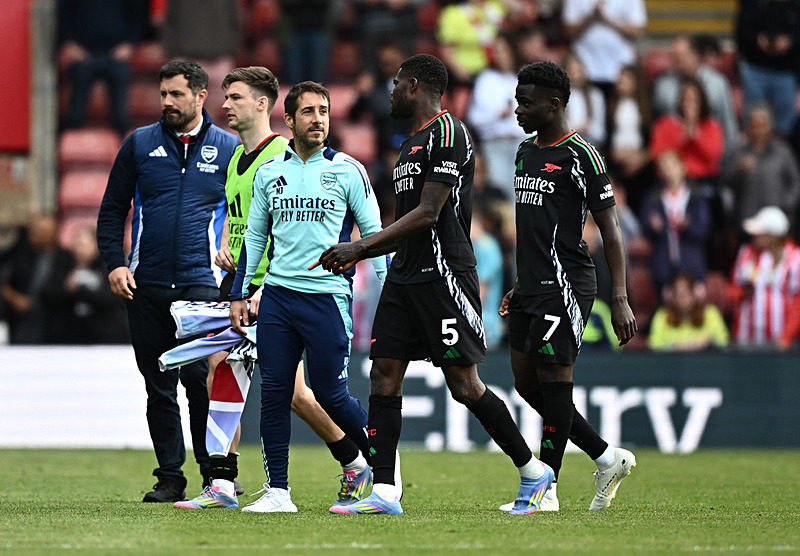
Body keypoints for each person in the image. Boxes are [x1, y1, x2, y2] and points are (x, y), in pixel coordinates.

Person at [316, 53, 554, 516]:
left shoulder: (450, 132)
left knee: (464, 385)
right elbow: (406, 222)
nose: (389, 91)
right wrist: (365, 250)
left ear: (414, 86)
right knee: (383, 373)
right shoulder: (408, 145)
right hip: (406, 276)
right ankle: (384, 491)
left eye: (395, 83)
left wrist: (360, 248)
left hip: (444, 275)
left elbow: (429, 214)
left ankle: (533, 472)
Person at [175, 67, 373, 511]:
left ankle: (359, 461)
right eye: (225, 96)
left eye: (235, 97)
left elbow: (292, 232)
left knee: (300, 393)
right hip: (248, 283)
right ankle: (227, 483)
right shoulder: (237, 160)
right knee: (235, 375)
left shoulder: (284, 156)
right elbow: (243, 218)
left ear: (264, 104)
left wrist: (261, 285)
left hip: (279, 287)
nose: (224, 105)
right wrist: (227, 243)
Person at [228, 81, 388, 513]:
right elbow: (256, 238)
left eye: (324, 111)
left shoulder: (349, 171)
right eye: (309, 112)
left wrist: (389, 296)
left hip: (327, 299)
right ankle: (278, 492)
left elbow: (373, 237)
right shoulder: (269, 173)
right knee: (275, 392)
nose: (318, 119)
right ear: (290, 120)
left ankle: (386, 477)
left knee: (333, 396)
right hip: (279, 298)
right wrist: (242, 293)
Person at [97, 60, 240, 503]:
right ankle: (169, 478)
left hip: (202, 286)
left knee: (200, 383)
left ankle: (212, 478)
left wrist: (237, 259)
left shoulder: (231, 149)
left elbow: (248, 215)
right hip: (146, 284)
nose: (167, 102)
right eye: (163, 94)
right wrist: (115, 263)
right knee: (158, 385)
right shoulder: (138, 144)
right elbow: (110, 211)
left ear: (200, 96)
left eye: (176, 94)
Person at [498, 60, 638, 512]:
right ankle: (606, 457)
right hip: (531, 285)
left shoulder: (582, 155)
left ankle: (546, 489)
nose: (517, 109)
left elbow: (612, 230)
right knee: (525, 384)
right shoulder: (524, 152)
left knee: (555, 379)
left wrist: (619, 297)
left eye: (526, 102)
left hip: (567, 283)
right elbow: (533, 226)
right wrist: (520, 283)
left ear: (554, 104)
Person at [57, 0, 147, 137]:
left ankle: (126, 149)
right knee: (75, 113)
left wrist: (130, 44)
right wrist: (69, 43)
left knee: (121, 116)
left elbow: (137, 15)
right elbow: (62, 15)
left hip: (116, 56)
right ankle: (70, 146)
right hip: (82, 56)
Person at [467, 31, 530, 200]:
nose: (500, 55)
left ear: (513, 50)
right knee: (503, 194)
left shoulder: (527, 76)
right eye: (496, 50)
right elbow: (474, 118)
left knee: (528, 195)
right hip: (496, 145)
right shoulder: (486, 80)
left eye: (504, 49)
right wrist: (497, 115)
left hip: (523, 145)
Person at [722, 103, 800, 237]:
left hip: (777, 219)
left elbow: (796, 183)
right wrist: (739, 169)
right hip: (748, 220)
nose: (758, 130)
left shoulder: (782, 152)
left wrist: (785, 204)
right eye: (754, 125)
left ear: (770, 127)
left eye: (762, 125)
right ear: (749, 128)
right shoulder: (739, 152)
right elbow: (725, 179)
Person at [640, 151, 712, 296]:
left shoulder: (696, 196)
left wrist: (688, 226)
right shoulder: (653, 198)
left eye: (672, 166)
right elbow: (645, 228)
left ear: (682, 167)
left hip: (692, 264)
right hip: (665, 266)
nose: (668, 171)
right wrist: (653, 228)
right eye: (664, 167)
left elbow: (705, 229)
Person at [730, 206, 800, 349]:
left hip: (779, 339)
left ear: (772, 235)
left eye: (759, 232)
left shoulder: (794, 257)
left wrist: (786, 336)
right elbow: (733, 287)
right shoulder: (746, 253)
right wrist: (741, 293)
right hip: (746, 336)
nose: (754, 236)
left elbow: (798, 301)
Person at [652, 35, 739, 148]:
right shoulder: (663, 86)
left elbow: (727, 122)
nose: (679, 63)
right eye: (675, 59)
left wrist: (730, 155)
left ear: (695, 55)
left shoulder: (717, 83)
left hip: (710, 148)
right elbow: (658, 125)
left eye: (682, 57)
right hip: (675, 152)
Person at [0, 213, 74, 344]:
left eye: (42, 231)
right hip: (22, 322)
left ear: (55, 232)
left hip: (56, 326)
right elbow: (4, 280)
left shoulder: (67, 259)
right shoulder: (18, 254)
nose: (36, 235)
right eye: (33, 230)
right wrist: (12, 296)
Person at [736, 0, 800, 138]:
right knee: (754, 114)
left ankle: (780, 149)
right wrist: (757, 39)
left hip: (786, 70)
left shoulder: (794, 6)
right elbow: (741, 30)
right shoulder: (753, 4)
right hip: (755, 67)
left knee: (785, 119)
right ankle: (753, 145)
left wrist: (789, 41)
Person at [561, 0, 647, 100]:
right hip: (586, 68)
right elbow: (568, 30)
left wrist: (607, 18)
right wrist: (591, 16)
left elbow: (638, 31)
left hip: (620, 70)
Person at [62, 224, 129, 344]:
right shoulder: (63, 264)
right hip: (73, 335)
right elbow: (48, 292)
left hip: (107, 336)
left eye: (83, 245)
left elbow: (110, 297)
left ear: (95, 245)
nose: (79, 249)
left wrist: (78, 290)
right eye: (76, 245)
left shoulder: (108, 267)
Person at [648, 273, 729, 352]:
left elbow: (724, 343)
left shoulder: (711, 313)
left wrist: (708, 342)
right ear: (671, 296)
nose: (683, 299)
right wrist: (674, 347)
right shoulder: (662, 315)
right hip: (673, 363)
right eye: (678, 294)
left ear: (694, 294)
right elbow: (654, 347)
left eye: (686, 293)